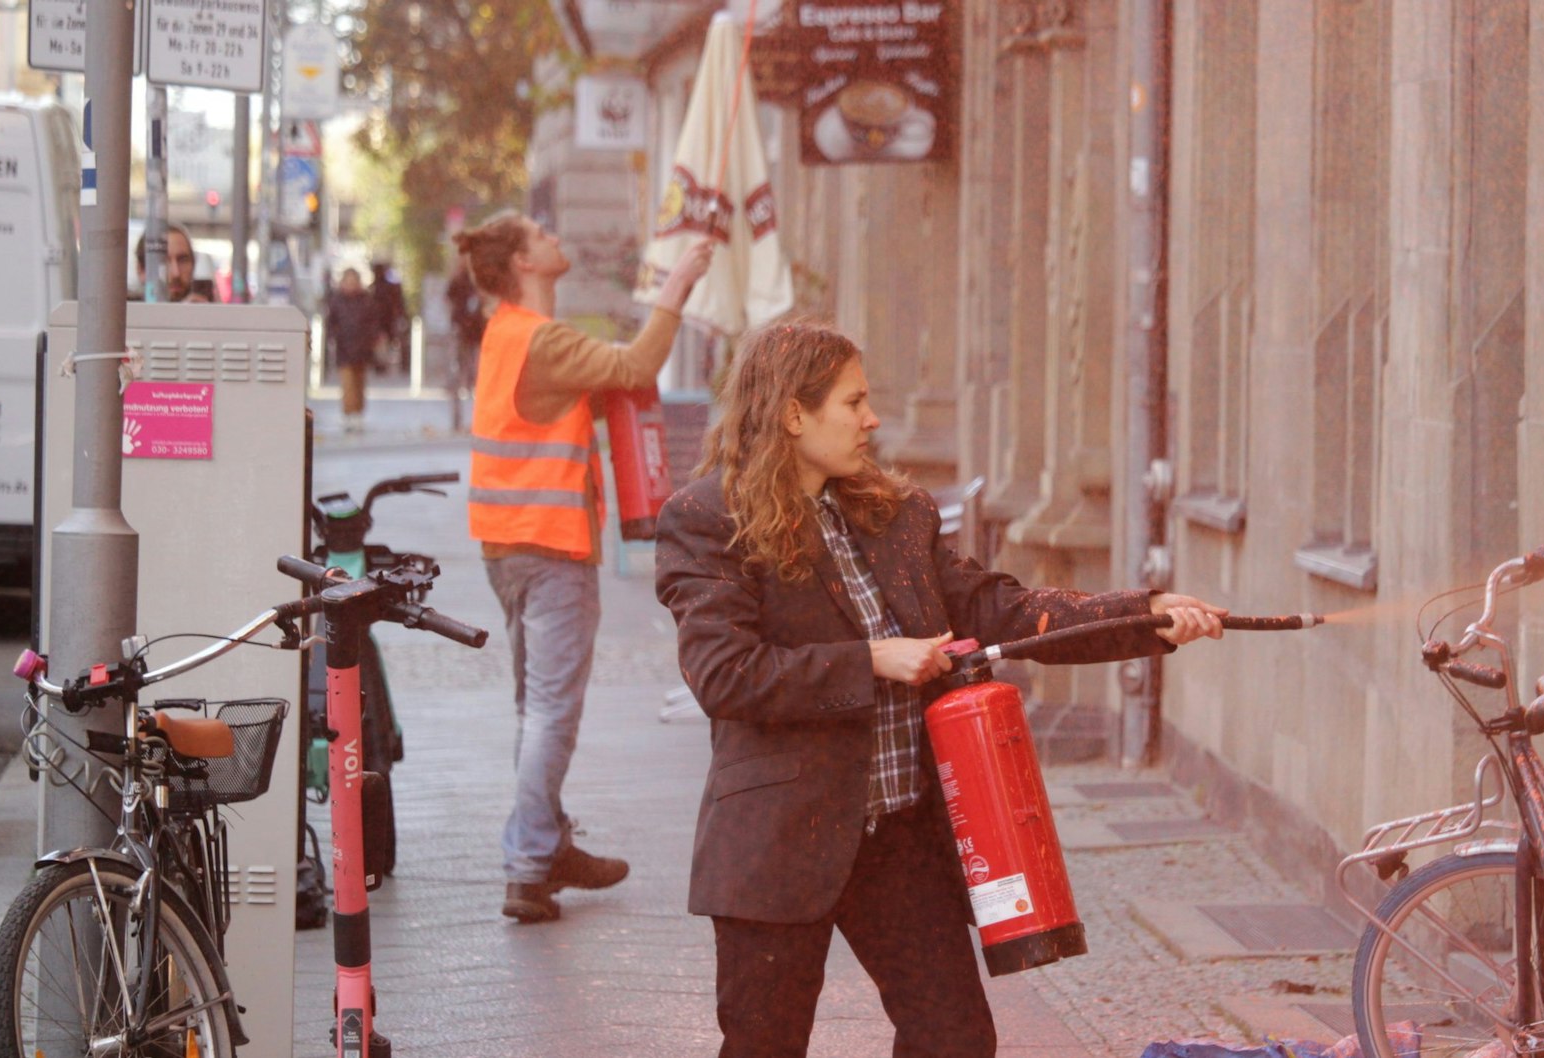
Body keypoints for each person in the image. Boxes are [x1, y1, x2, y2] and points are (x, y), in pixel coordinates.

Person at [652, 321, 1227, 1058]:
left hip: (895, 834)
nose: (872, 419)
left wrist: (1144, 618)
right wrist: (870, 661)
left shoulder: (895, 513)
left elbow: (1008, 612)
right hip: (780, 839)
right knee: (765, 1044)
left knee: (953, 1035)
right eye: (853, 402)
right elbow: (725, 674)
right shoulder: (707, 519)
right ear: (794, 414)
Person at [453, 211, 714, 924]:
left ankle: (545, 842)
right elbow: (634, 366)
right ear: (524, 264)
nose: (555, 235)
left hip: (506, 548)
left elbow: (593, 393)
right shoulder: (542, 340)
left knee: (534, 708)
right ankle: (532, 863)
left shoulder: (507, 335)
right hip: (550, 549)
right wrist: (680, 286)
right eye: (541, 234)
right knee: (549, 713)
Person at [324, 268, 379, 433]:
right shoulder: (336, 300)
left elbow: (373, 322)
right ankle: (349, 414)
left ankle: (358, 413)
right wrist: (335, 336)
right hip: (344, 348)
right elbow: (331, 322)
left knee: (360, 383)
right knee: (347, 384)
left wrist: (372, 340)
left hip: (362, 349)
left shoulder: (366, 300)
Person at [446, 259, 488, 431]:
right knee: (458, 374)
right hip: (462, 332)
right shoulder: (458, 282)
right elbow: (449, 302)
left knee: (479, 375)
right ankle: (458, 419)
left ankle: (478, 419)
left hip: (479, 333)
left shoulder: (484, 282)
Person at [132, 224, 208, 303]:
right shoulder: (126, 313)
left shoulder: (204, 311)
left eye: (183, 260)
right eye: (163, 262)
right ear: (141, 269)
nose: (176, 273)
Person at [368, 261, 409, 375]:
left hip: (384, 321)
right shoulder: (383, 288)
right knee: (383, 343)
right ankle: (381, 364)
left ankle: (381, 364)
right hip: (384, 321)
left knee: (383, 343)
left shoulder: (375, 288)